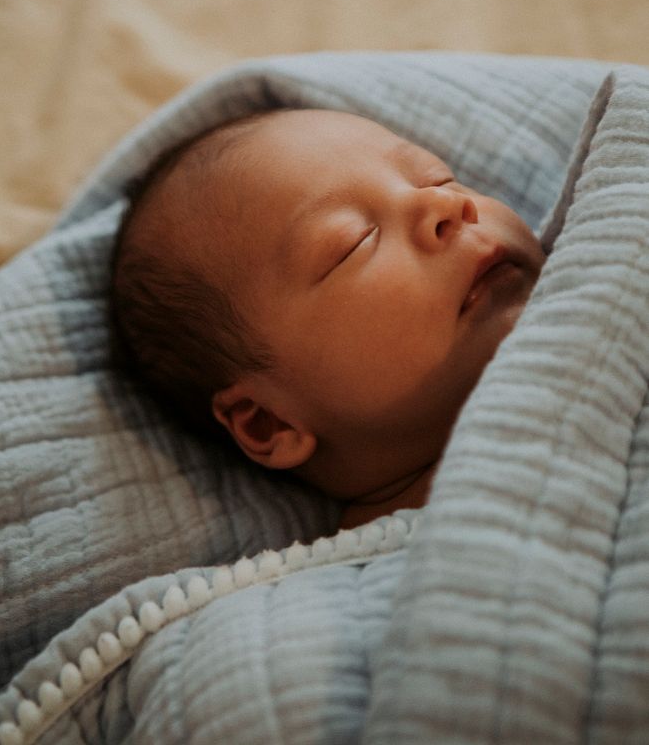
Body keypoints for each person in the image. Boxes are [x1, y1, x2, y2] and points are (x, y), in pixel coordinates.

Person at [111, 108, 545, 527]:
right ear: (269, 422)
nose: (444, 204)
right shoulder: (343, 590)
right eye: (354, 243)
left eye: (438, 177)